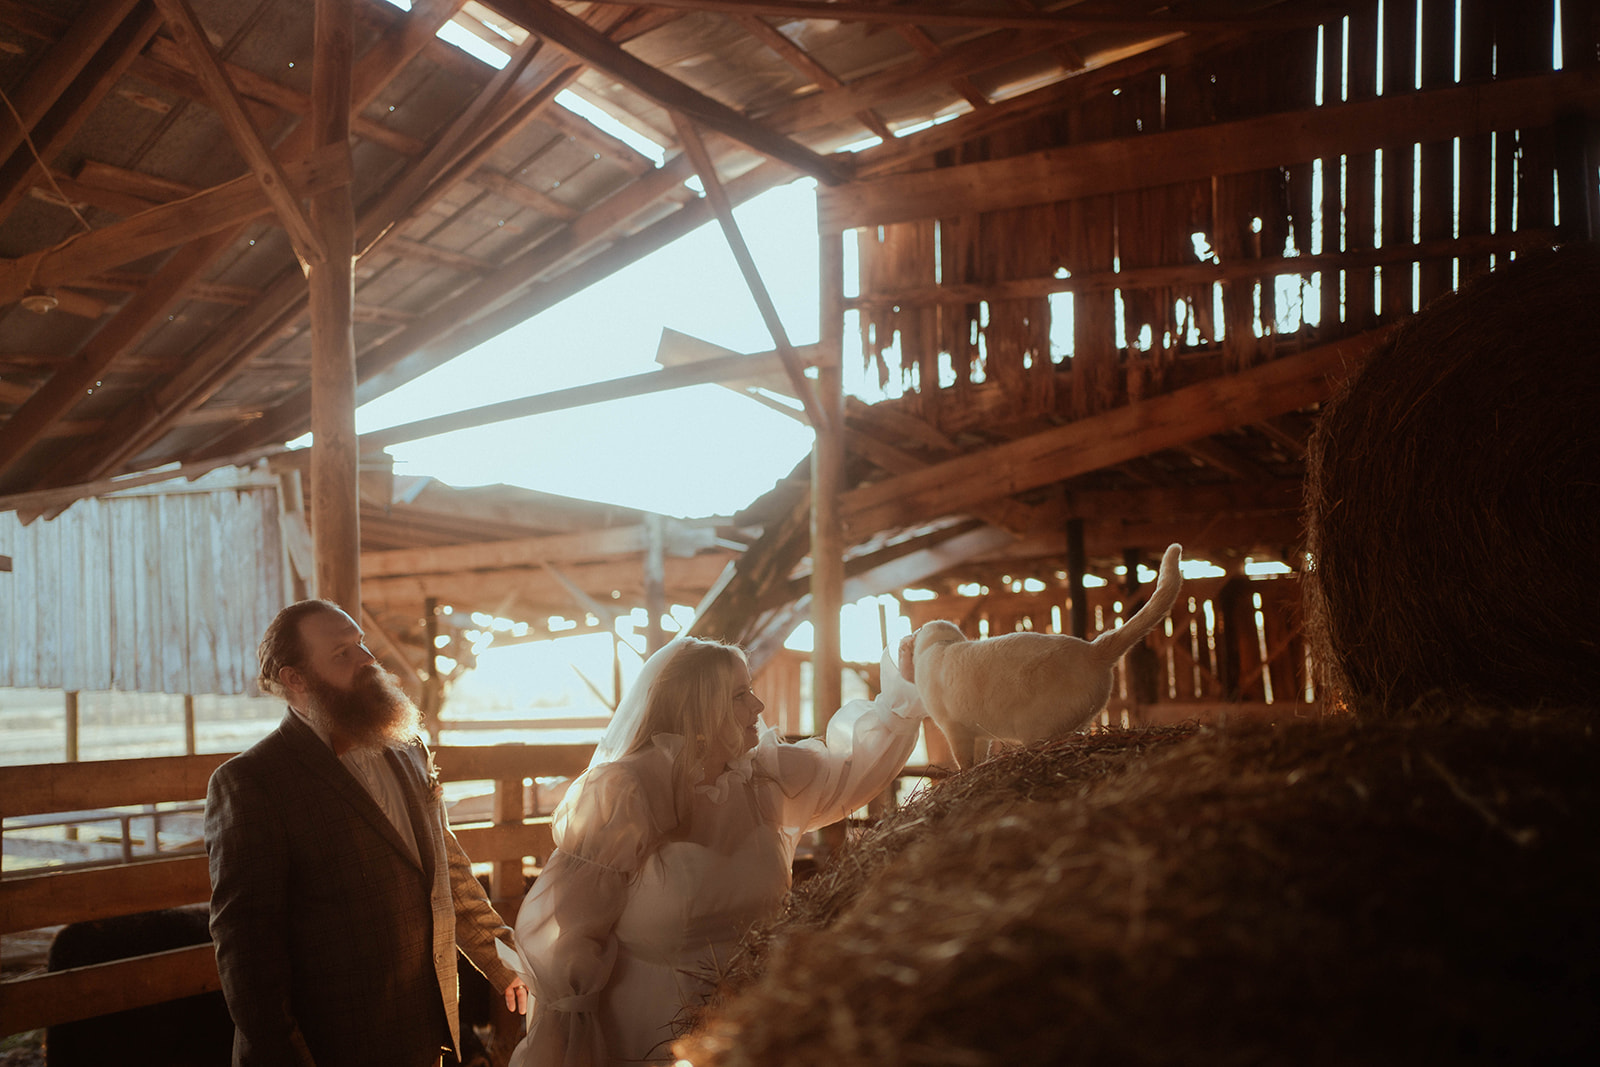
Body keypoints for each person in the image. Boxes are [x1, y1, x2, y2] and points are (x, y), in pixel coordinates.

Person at [507, 634, 926, 1066]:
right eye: (741, 696)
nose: (759, 708)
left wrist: (906, 692)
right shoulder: (625, 792)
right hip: (650, 1032)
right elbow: (569, 936)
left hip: (754, 1019)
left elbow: (852, 766)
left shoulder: (762, 780)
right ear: (699, 709)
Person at [205, 599, 530, 1066]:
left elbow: (447, 874)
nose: (368, 660)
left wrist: (507, 965)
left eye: (361, 644)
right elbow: (249, 960)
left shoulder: (407, 749)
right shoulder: (252, 783)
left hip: (427, 1038)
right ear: (295, 679)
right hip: (333, 1047)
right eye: (342, 654)